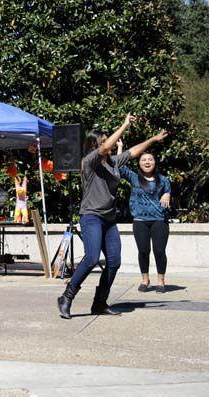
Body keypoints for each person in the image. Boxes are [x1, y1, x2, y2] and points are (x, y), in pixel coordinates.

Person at [57, 114, 167, 319]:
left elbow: (133, 152)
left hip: (108, 219)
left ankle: (99, 303)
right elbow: (106, 148)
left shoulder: (113, 162)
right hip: (91, 216)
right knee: (91, 257)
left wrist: (152, 140)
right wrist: (124, 125)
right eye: (105, 139)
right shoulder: (89, 162)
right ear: (95, 144)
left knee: (114, 261)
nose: (110, 142)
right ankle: (66, 297)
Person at [117, 140, 171, 293]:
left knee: (159, 251)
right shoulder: (134, 178)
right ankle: (145, 280)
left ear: (155, 162)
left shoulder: (163, 180)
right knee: (143, 251)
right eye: (143, 160)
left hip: (159, 221)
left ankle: (161, 281)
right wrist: (120, 147)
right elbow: (119, 166)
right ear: (139, 163)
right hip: (140, 221)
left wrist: (167, 194)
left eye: (150, 159)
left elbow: (168, 192)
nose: (147, 162)